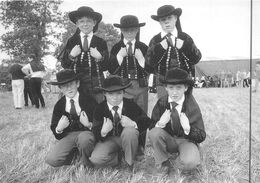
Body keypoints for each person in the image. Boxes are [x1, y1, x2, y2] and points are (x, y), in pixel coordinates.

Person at [148, 68, 206, 175]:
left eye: (179, 88)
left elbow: (202, 136)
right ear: (165, 88)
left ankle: (178, 161)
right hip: (169, 140)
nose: (174, 92)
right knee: (154, 132)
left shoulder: (192, 105)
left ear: (185, 88)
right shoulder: (161, 103)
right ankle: (163, 162)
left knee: (190, 163)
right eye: (171, 88)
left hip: (186, 140)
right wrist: (160, 123)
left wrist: (188, 129)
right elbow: (151, 128)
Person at [89, 75, 151, 171]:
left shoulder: (131, 105)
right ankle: (119, 158)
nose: (115, 98)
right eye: (111, 94)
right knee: (96, 159)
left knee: (130, 131)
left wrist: (133, 123)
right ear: (104, 93)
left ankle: (130, 163)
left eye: (118, 93)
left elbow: (147, 121)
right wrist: (103, 132)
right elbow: (94, 130)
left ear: (123, 93)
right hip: (109, 140)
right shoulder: (99, 108)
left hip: (127, 140)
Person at [146, 5, 202, 98]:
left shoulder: (185, 37)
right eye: (163, 19)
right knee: (164, 110)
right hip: (163, 83)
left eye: (169, 18)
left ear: (175, 18)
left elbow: (197, 58)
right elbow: (148, 64)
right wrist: (160, 48)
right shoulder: (155, 40)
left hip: (184, 83)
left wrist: (185, 46)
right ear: (159, 22)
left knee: (184, 110)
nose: (167, 21)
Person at [45, 69, 97, 167]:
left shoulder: (89, 100)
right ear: (60, 88)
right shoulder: (59, 105)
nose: (69, 88)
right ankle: (75, 156)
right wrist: (59, 129)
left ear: (77, 84)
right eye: (64, 86)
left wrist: (89, 124)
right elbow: (55, 129)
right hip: (69, 135)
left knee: (84, 139)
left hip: (87, 134)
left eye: (71, 84)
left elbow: (99, 123)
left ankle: (87, 163)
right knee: (52, 160)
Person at [61, 6, 109, 103]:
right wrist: (71, 56)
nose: (85, 24)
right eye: (82, 21)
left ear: (94, 23)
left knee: (98, 110)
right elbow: (64, 64)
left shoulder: (101, 42)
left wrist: (100, 57)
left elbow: (106, 66)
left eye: (89, 21)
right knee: (80, 110)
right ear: (77, 23)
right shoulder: (72, 41)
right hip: (77, 84)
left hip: (97, 84)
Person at [108, 15, 151, 113]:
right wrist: (119, 56)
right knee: (124, 113)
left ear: (137, 30)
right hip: (123, 86)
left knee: (142, 113)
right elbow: (111, 69)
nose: (129, 33)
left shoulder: (143, 47)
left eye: (133, 30)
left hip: (141, 86)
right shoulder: (116, 47)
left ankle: (141, 129)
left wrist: (141, 60)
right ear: (122, 31)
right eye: (126, 30)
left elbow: (150, 69)